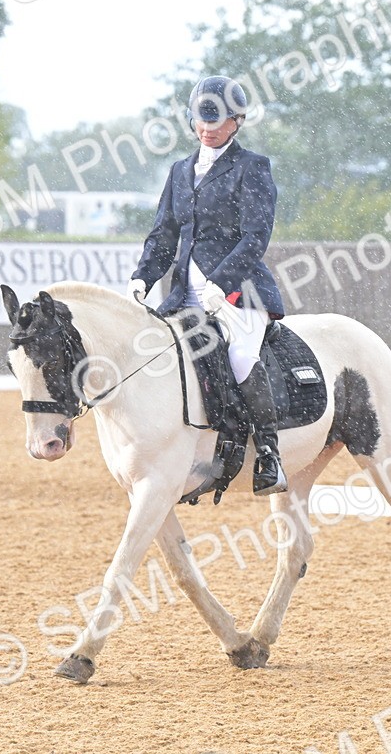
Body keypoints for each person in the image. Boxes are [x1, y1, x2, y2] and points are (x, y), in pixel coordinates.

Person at [128, 75, 288, 496]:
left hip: (241, 292)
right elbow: (163, 234)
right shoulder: (180, 171)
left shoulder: (252, 167)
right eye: (202, 119)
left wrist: (223, 282)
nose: (209, 128)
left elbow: (256, 235)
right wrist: (142, 277)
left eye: (218, 121)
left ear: (237, 121)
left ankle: (270, 455)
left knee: (239, 356)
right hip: (184, 294)